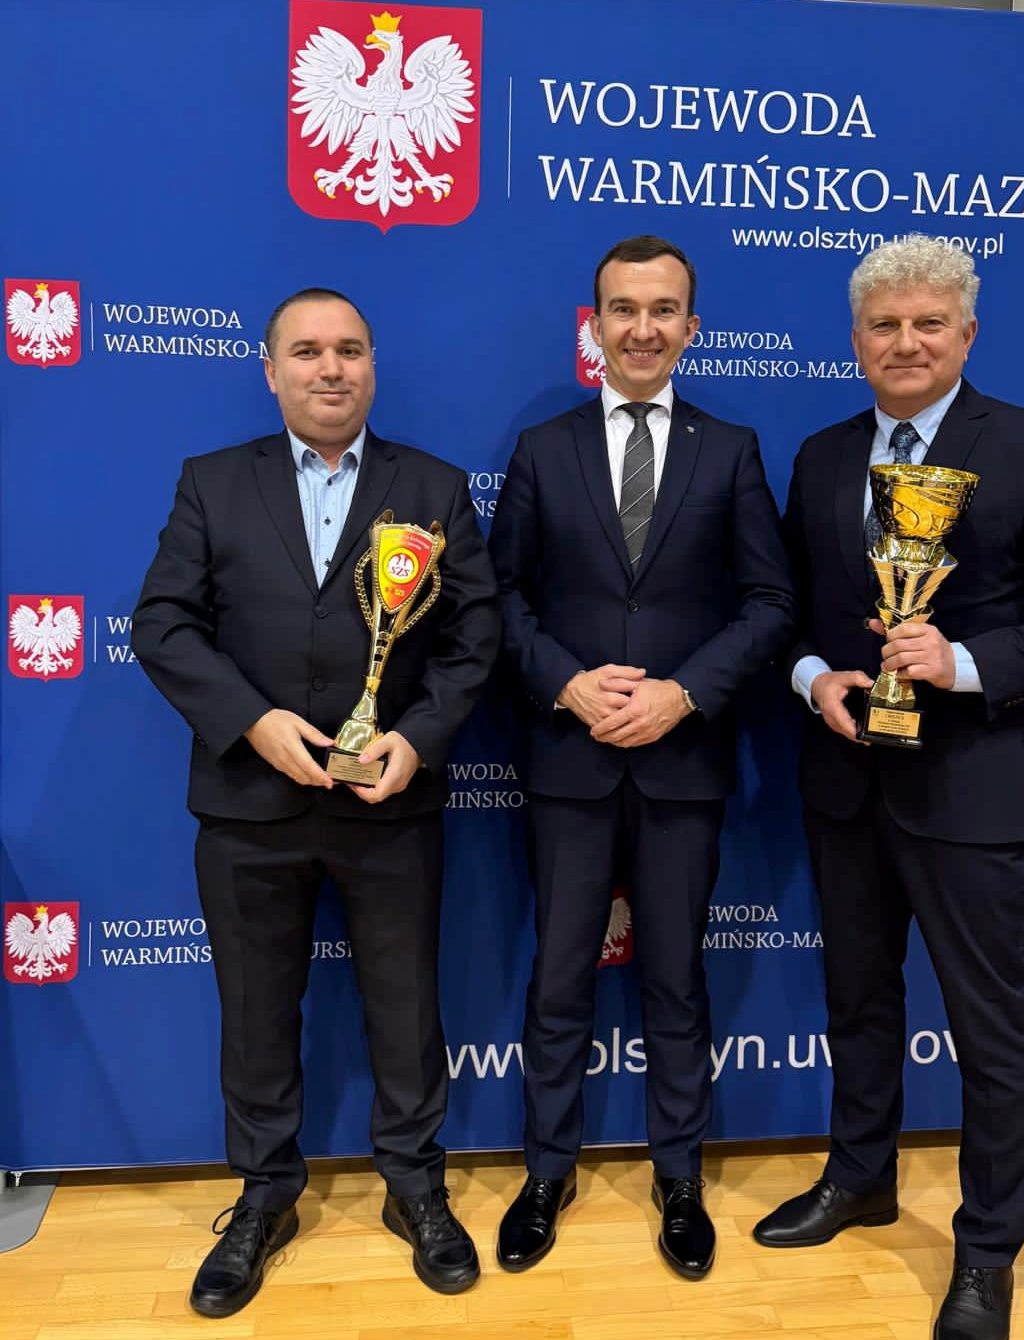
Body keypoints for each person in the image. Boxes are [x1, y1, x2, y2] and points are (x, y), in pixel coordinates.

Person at [753, 236, 1024, 1340]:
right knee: (857, 1003)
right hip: (846, 780)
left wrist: (962, 662)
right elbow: (789, 609)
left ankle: (985, 1252)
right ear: (854, 340)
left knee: (991, 1030)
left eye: (928, 323)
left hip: (971, 790)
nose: (906, 342)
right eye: (884, 325)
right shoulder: (823, 455)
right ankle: (858, 1178)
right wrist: (812, 675)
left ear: (966, 334)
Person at [131, 288, 500, 1315]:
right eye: (306, 351)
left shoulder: (432, 486)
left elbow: (475, 637)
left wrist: (416, 736)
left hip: (388, 801)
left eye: (348, 350)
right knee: (255, 1012)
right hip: (248, 802)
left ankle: (415, 1186)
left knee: (405, 1004)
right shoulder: (213, 482)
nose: (329, 368)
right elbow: (162, 623)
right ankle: (262, 1198)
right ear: (270, 370)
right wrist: (251, 721)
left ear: (372, 365)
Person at [488, 235, 793, 1280]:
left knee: (675, 978)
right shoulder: (542, 448)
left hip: (681, 761)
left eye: (663, 309)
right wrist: (567, 682)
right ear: (595, 324)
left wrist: (683, 693)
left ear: (690, 327)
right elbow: (499, 596)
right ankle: (545, 1172)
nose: (642, 327)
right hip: (567, 758)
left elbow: (769, 602)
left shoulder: (731, 449)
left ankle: (678, 1176)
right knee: (557, 977)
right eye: (623, 308)